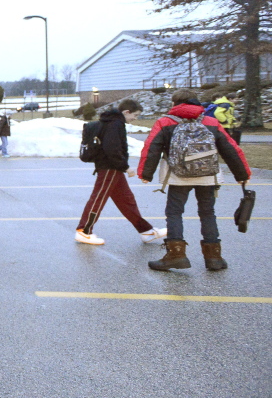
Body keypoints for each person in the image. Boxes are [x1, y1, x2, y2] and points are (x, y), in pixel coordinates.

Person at [138, 89, 251, 270]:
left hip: (177, 175)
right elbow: (231, 148)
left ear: (175, 103)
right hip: (207, 175)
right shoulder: (211, 121)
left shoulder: (165, 122)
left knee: (174, 213)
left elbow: (151, 147)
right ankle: (214, 258)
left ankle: (176, 254)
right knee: (207, 213)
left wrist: (146, 174)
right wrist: (242, 175)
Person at [75, 100, 164, 246]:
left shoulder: (110, 121)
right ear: (126, 112)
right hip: (110, 168)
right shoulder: (116, 124)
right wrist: (125, 167)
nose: (135, 118)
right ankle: (83, 231)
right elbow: (112, 149)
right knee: (98, 198)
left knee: (126, 200)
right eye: (134, 115)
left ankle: (146, 231)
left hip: (111, 168)